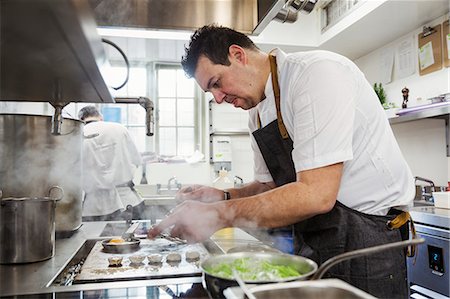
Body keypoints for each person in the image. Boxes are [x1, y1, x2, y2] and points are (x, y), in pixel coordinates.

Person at [148, 25, 415, 298]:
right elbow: (268, 186)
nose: (217, 98)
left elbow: (316, 194)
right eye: (210, 92)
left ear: (238, 55)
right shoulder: (257, 113)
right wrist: (221, 195)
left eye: (216, 83)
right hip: (315, 240)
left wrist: (218, 214)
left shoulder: (316, 75)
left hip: (366, 241)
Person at [78, 106, 144, 221]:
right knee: (130, 238)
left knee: (95, 237)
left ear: (81, 119)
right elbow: (136, 161)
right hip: (127, 201)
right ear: (100, 117)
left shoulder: (77, 134)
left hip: (93, 208)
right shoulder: (119, 129)